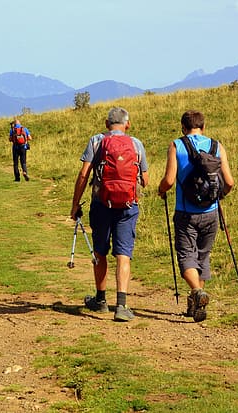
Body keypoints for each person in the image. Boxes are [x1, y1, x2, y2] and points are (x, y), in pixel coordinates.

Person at [70, 107, 150, 322]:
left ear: (107, 124)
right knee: (123, 254)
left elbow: (83, 174)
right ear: (127, 124)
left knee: (100, 251)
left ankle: (101, 299)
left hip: (101, 204)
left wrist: (75, 204)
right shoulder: (136, 144)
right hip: (128, 205)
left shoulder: (96, 141)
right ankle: (121, 306)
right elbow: (145, 179)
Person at [157, 110, 235, 322]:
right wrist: (219, 196)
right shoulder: (217, 146)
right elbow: (229, 182)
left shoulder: (176, 145)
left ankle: (197, 292)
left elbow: (169, 180)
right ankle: (195, 305)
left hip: (185, 213)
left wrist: (161, 190)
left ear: (183, 127)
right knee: (202, 256)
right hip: (211, 212)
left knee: (186, 256)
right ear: (203, 127)